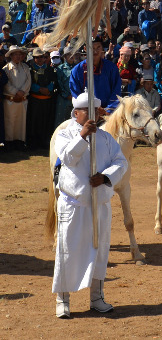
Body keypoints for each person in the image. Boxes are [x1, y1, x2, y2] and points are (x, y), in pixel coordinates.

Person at [52, 92, 128, 318]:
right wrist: (82, 136)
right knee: (68, 250)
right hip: (74, 204)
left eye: (96, 111)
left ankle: (97, 296)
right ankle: (62, 299)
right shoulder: (65, 134)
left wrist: (105, 177)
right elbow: (67, 158)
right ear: (76, 113)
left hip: (100, 204)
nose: (93, 115)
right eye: (87, 111)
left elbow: (120, 162)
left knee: (100, 249)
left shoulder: (106, 138)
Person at [69, 38, 122, 114]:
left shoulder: (111, 68)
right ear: (85, 49)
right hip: (85, 113)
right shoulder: (77, 70)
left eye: (98, 47)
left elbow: (116, 92)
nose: (95, 51)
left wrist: (108, 110)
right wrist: (88, 110)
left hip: (107, 113)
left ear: (102, 48)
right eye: (92, 48)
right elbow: (75, 94)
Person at [27, 47, 56, 149]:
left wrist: (48, 89)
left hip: (46, 100)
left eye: (42, 57)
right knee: (34, 122)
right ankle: (33, 143)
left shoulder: (50, 69)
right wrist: (39, 89)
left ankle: (44, 142)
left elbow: (53, 82)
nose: (40, 59)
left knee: (45, 121)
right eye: (37, 57)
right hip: (35, 100)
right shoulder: (30, 70)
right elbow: (29, 83)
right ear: (33, 58)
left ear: (45, 58)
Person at [3, 45, 30, 150]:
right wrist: (15, 92)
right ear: (11, 56)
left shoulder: (25, 67)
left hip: (22, 99)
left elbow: (28, 82)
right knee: (10, 121)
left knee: (21, 122)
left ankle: (20, 142)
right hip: (10, 100)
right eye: (15, 54)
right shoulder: (6, 68)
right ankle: (9, 142)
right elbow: (6, 84)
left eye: (20, 54)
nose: (18, 56)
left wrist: (22, 91)